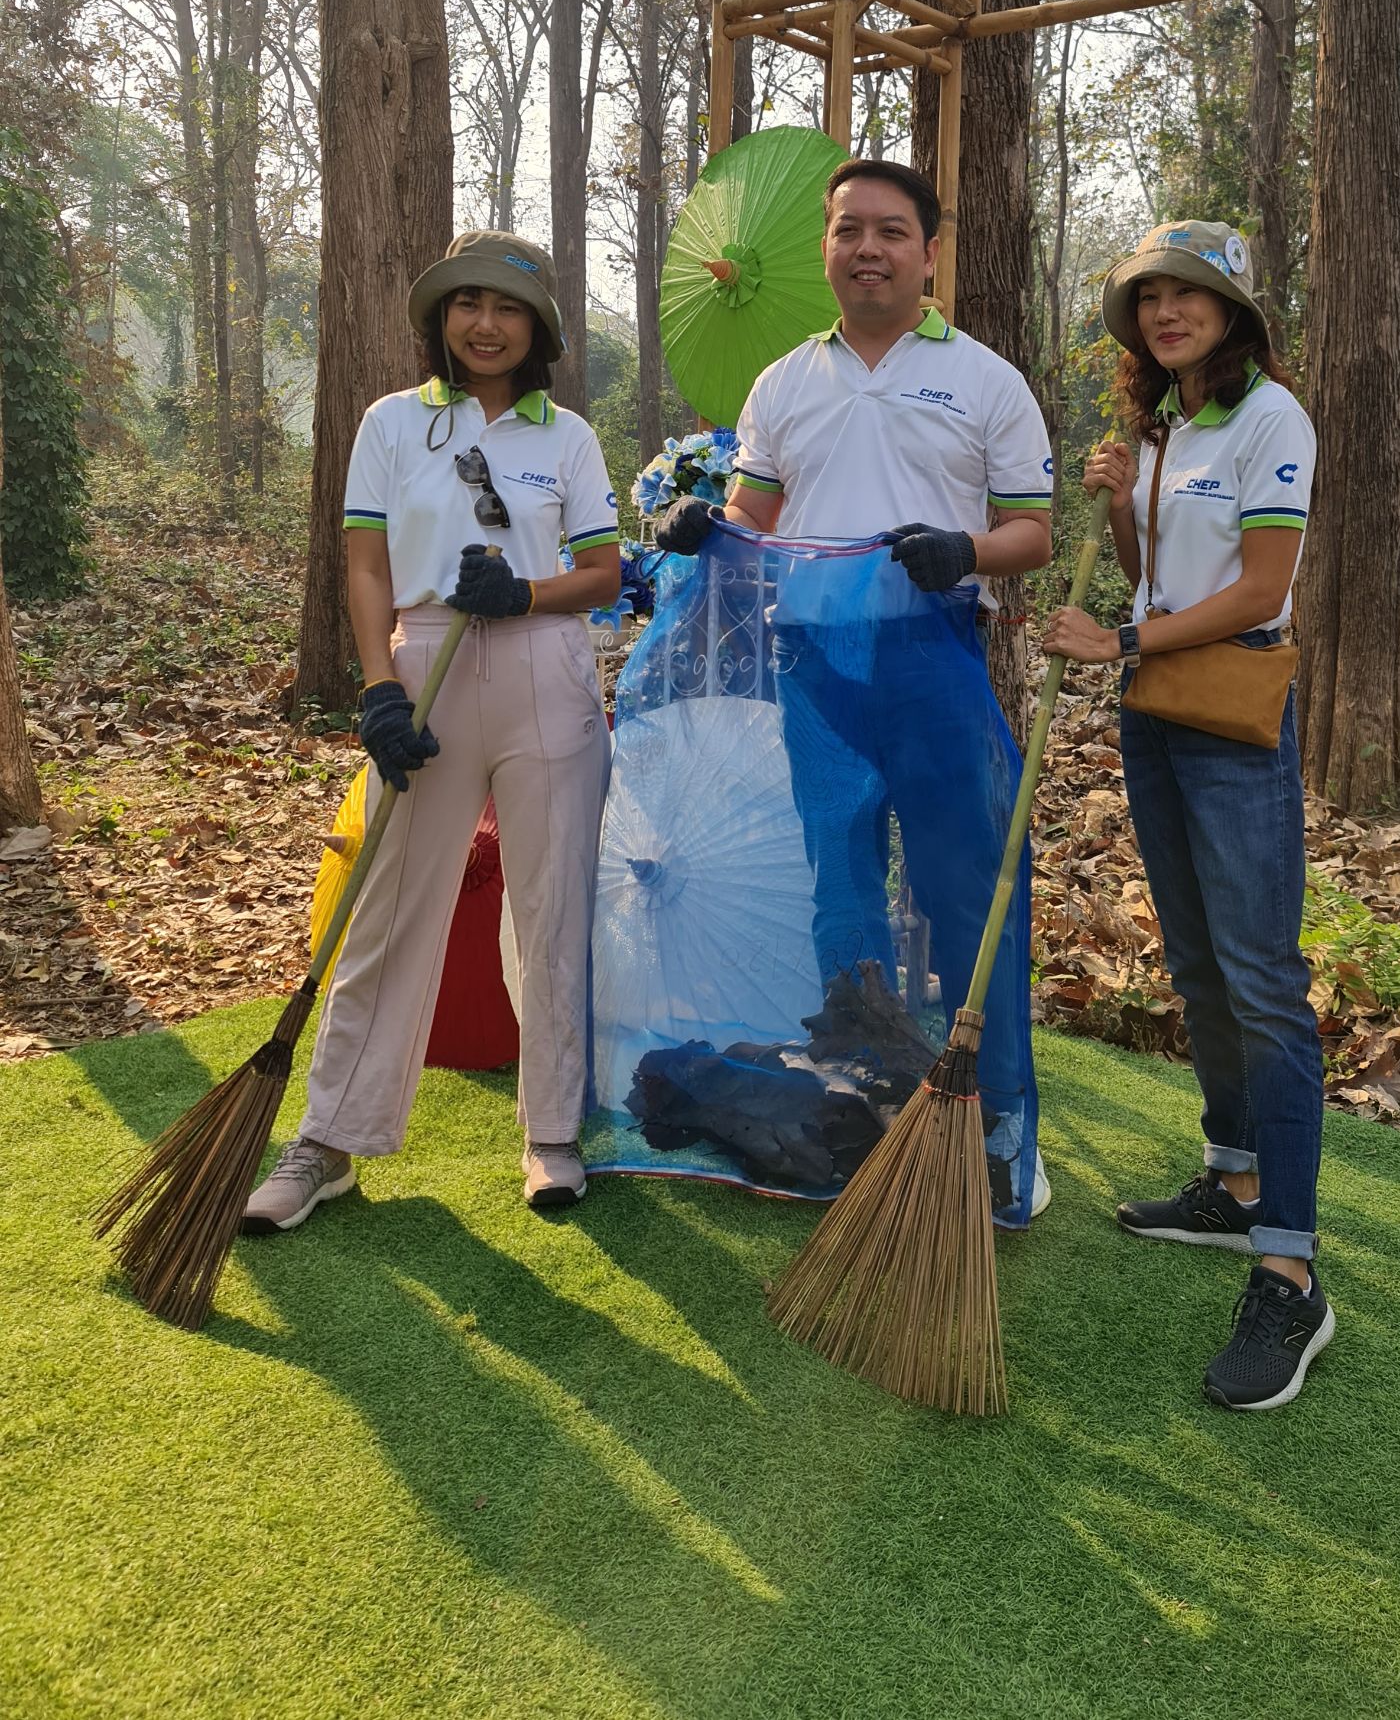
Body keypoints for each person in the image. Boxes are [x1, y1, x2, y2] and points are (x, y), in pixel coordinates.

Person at [655, 158, 1056, 1221]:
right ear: (825, 250)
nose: (867, 249)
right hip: (816, 664)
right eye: (848, 231)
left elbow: (1032, 533)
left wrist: (965, 549)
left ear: (929, 254)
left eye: (891, 231)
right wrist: (702, 526)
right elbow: (755, 516)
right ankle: (868, 1094)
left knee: (965, 886)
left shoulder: (986, 380)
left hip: (932, 657)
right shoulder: (785, 382)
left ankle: (997, 1118)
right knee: (840, 882)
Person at [244, 231, 622, 1231]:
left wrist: (525, 591)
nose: (485, 324)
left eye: (507, 308)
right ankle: (328, 1140)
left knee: (552, 909)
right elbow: (366, 565)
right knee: (388, 907)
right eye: (467, 304)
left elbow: (603, 574)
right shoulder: (390, 423)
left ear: (538, 327)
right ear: (440, 318)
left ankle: (553, 1132)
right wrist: (379, 690)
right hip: (425, 667)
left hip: (544, 668)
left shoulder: (567, 437)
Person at [1042, 219, 1331, 1409]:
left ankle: (1291, 1271)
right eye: (1149, 298)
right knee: (1200, 966)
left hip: (1232, 710)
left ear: (1233, 312)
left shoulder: (1272, 419)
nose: (1166, 313)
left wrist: (1119, 639)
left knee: (1264, 982)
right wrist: (1122, 501)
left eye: (1189, 295)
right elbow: (1154, 576)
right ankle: (1233, 1183)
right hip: (1156, 709)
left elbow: (1260, 589)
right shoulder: (1163, 428)